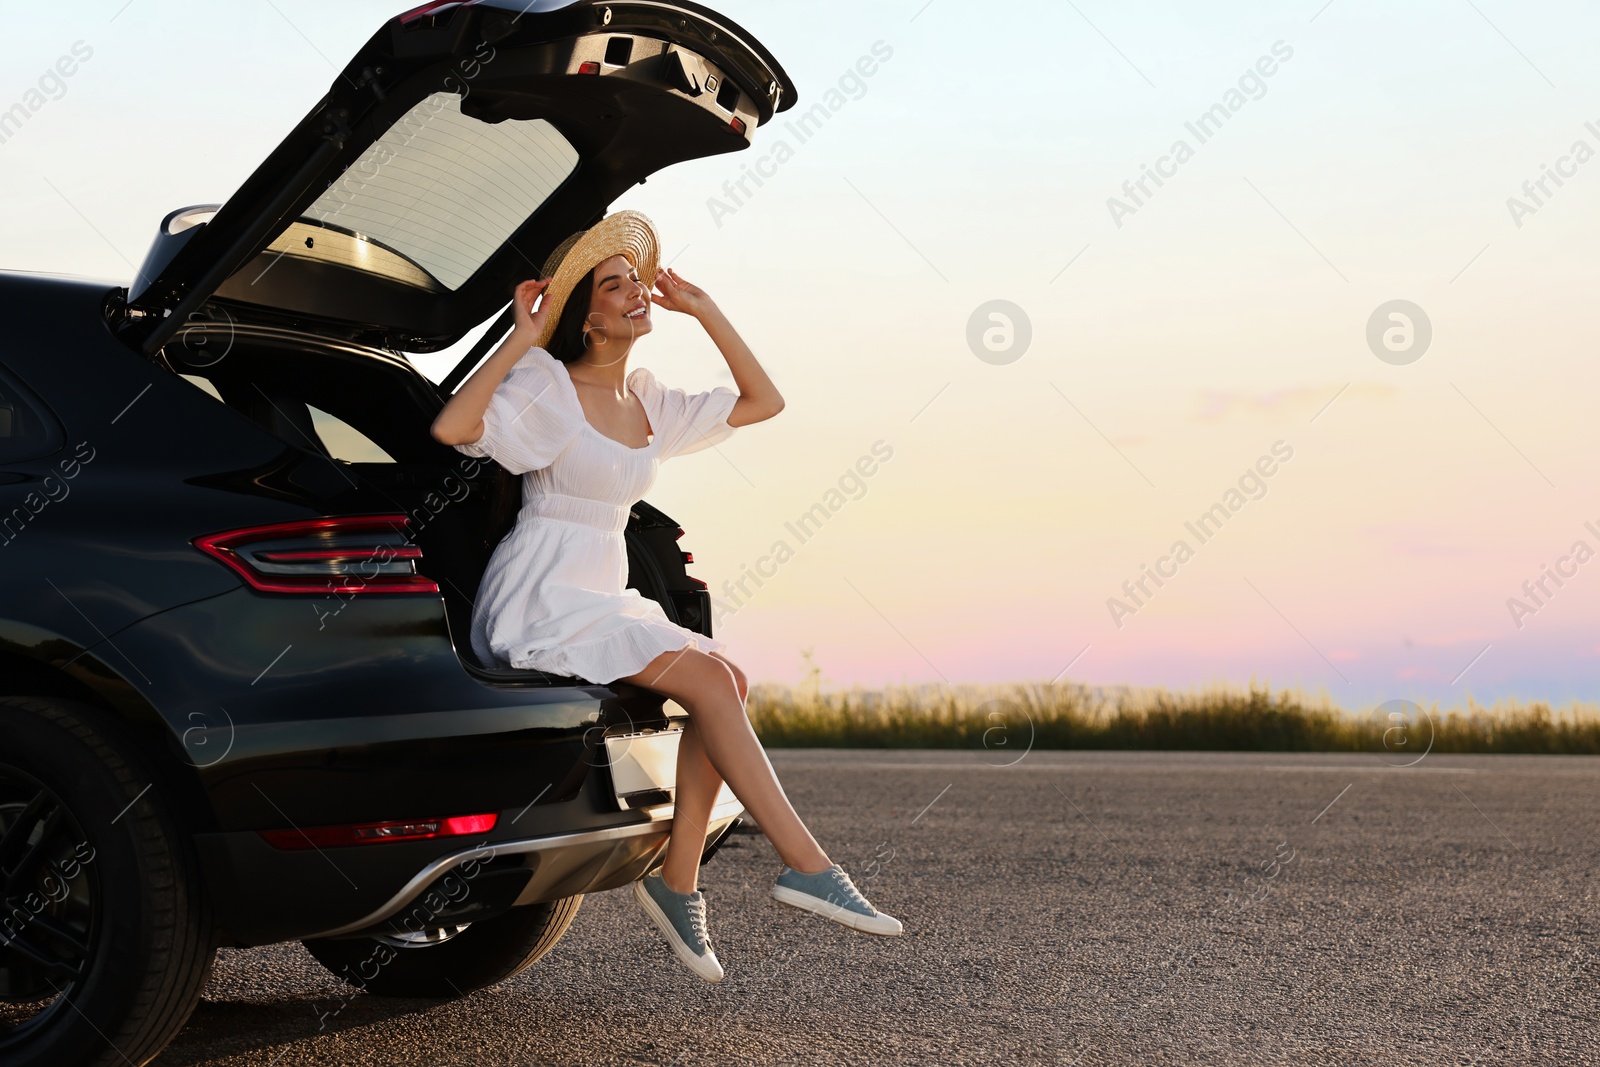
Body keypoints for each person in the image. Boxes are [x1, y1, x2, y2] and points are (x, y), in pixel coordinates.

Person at [430, 210, 901, 985]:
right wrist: (523, 333)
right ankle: (806, 865)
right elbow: (454, 426)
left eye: (634, 279)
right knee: (715, 683)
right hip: (544, 592)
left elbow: (763, 401)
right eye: (614, 284)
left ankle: (677, 878)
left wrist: (705, 309)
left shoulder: (649, 401)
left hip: (602, 590)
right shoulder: (549, 386)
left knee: (730, 682)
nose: (634, 291)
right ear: (586, 315)